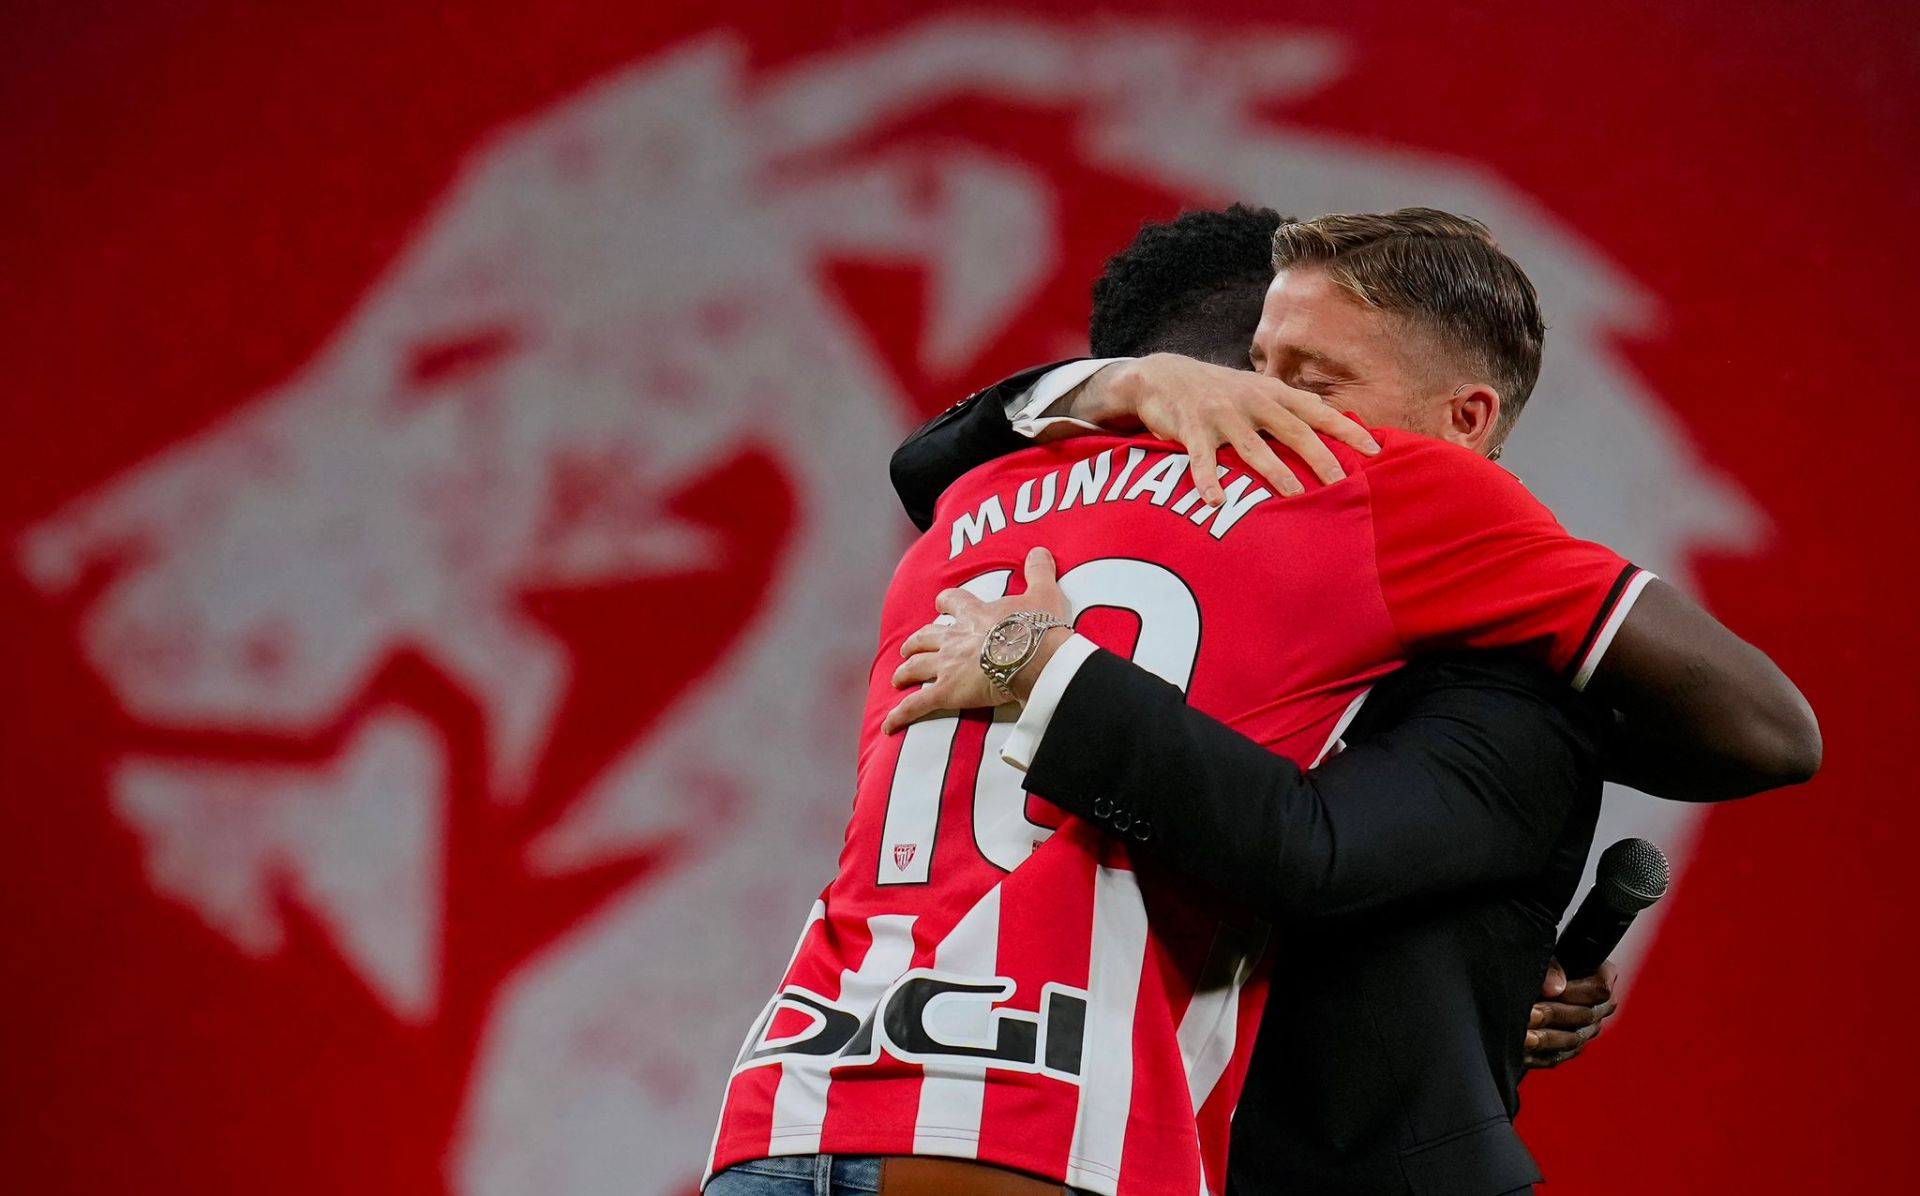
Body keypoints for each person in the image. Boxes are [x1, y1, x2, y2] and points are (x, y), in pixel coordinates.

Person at [705, 209, 1817, 1196]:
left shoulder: (982, 503)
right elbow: (1306, 844)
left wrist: (1495, 954)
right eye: (1255, 371)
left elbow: (925, 466)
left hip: (806, 1089)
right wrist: (1059, 674)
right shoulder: (1325, 505)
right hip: (1049, 1120)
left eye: (1310, 380)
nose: (1265, 412)